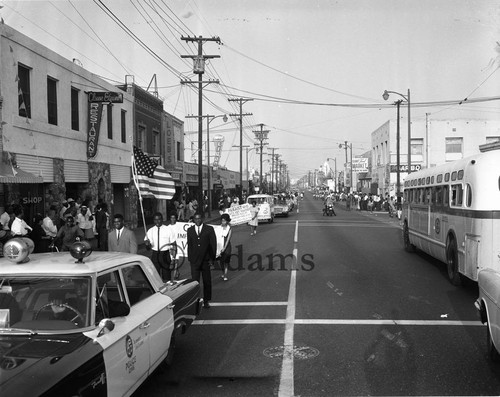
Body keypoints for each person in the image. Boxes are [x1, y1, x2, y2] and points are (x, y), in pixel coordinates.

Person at [187, 212, 217, 309]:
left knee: (207, 281)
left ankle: (206, 300)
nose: (197, 220)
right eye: (196, 219)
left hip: (206, 260)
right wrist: (190, 259)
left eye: (199, 218)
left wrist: (212, 259)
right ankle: (195, 300)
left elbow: (213, 245)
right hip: (195, 261)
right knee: (195, 283)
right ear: (193, 220)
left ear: (202, 219)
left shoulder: (209, 229)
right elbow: (190, 246)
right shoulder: (190, 230)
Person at [144, 212, 177, 282]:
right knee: (156, 278)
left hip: (165, 254)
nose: (157, 221)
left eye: (159, 219)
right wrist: (147, 244)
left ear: (162, 219)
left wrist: (173, 260)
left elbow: (174, 245)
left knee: (166, 277)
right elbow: (148, 248)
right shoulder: (150, 231)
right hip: (155, 255)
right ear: (153, 220)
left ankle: (167, 291)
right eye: (155, 220)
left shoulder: (168, 229)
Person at [217, 213, 232, 281]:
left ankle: (225, 275)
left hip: (227, 247)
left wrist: (224, 248)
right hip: (220, 246)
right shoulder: (218, 228)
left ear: (227, 221)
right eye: (222, 221)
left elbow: (228, 239)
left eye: (224, 221)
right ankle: (223, 272)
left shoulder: (229, 229)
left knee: (226, 261)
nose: (223, 222)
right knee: (221, 261)